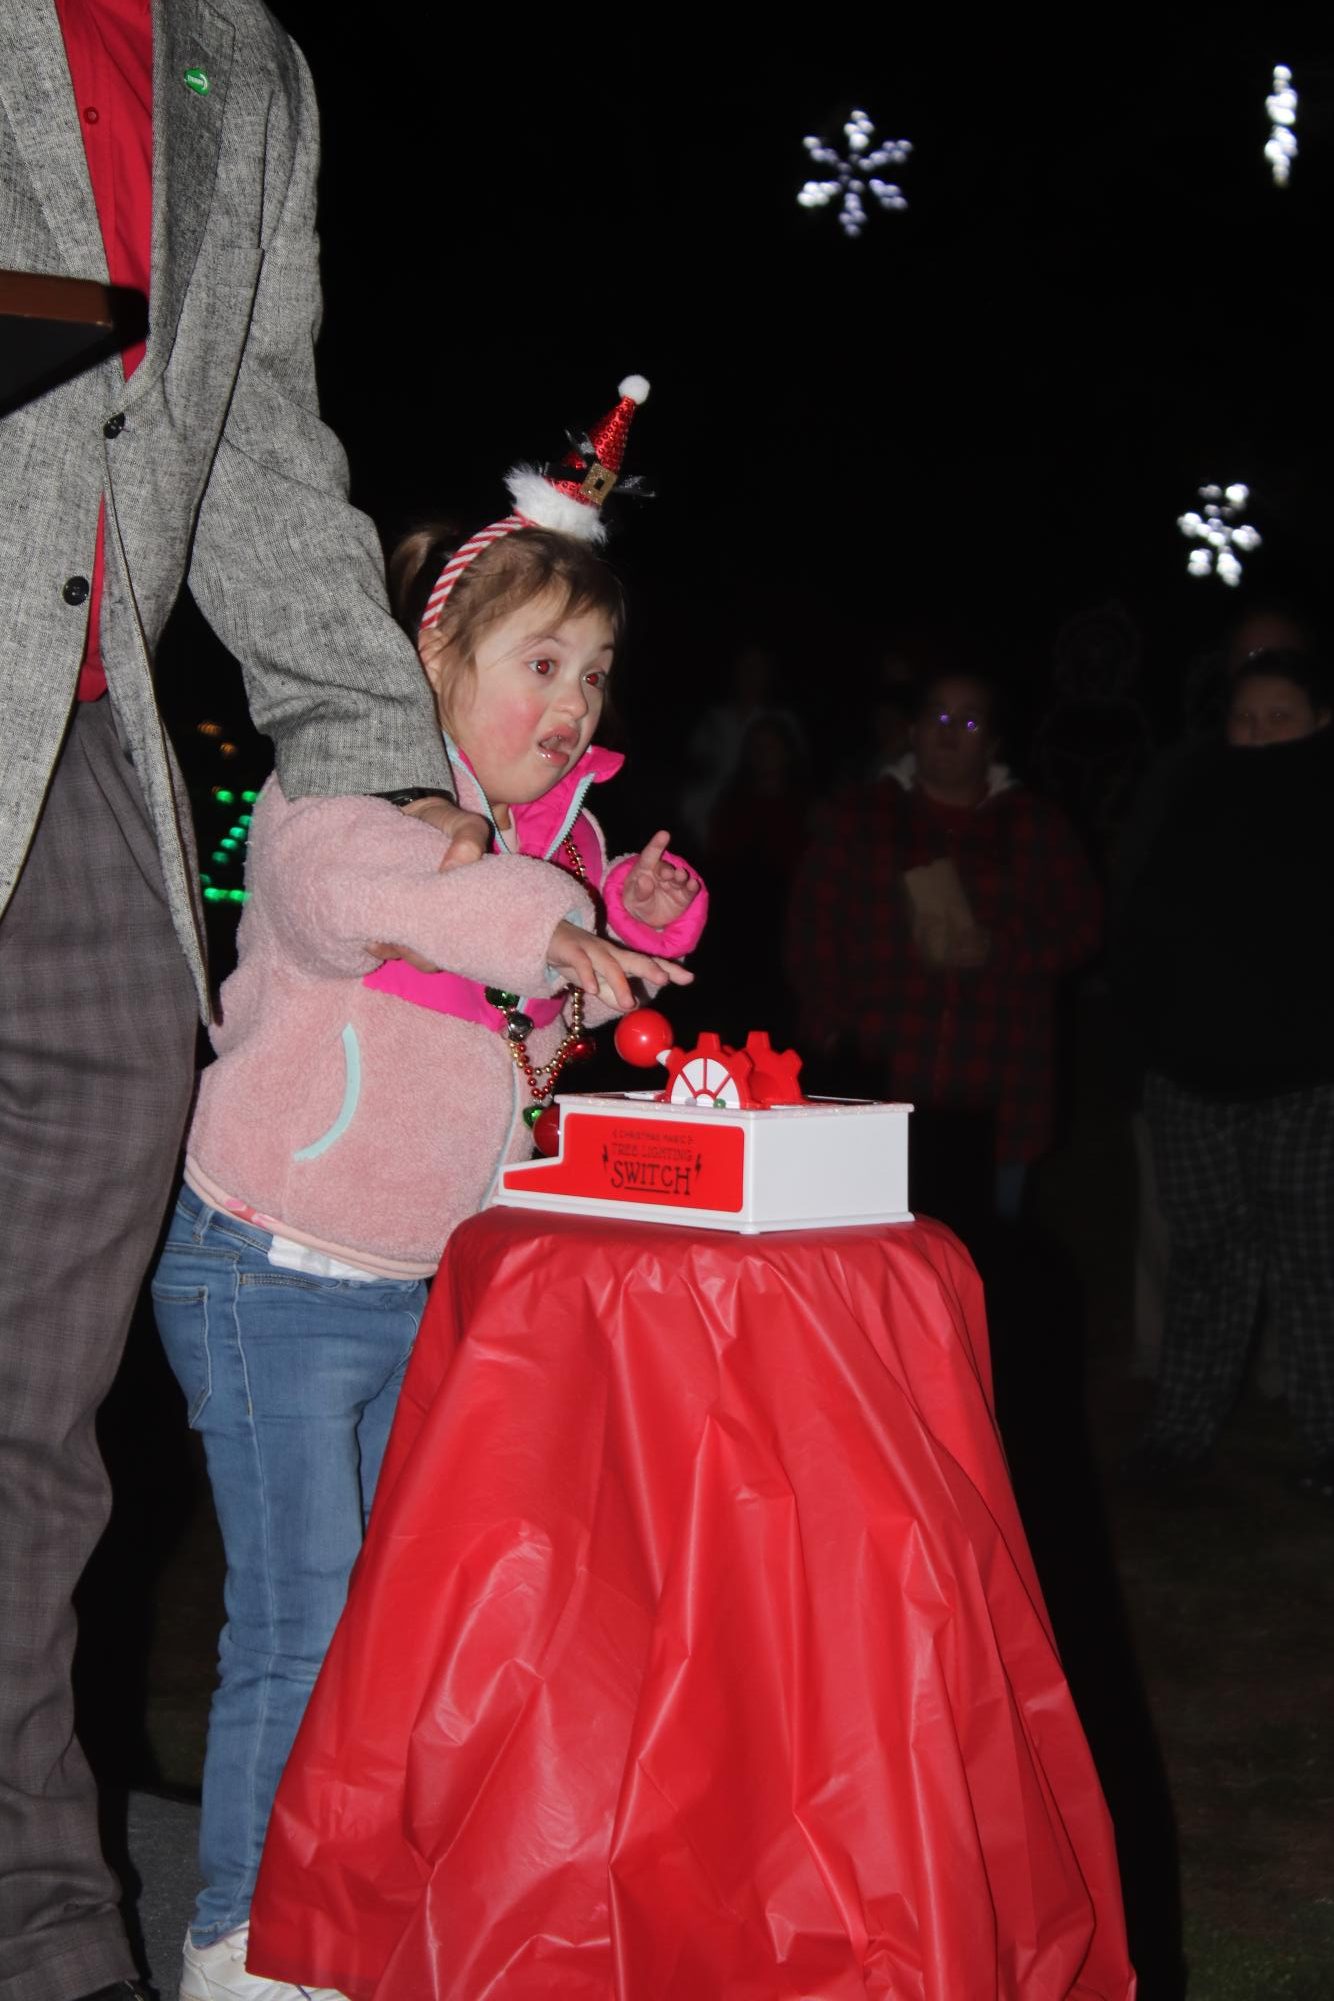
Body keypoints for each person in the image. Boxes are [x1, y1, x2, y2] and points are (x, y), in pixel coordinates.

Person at [0, 9, 489, 2001]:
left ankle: (35, 1910)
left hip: (87, 751)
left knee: (36, 1426)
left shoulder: (248, 65)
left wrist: (396, 776)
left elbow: (264, 449)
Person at [151, 377, 707, 2001]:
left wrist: (643, 919)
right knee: (303, 1623)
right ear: (426, 664)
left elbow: (582, 954)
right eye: (536, 663)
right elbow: (398, 906)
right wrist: (544, 925)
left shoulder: (549, 850)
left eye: (591, 672)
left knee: (413, 1629)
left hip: (417, 1297)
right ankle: (236, 1941)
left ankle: (366, 1906)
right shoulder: (349, 808)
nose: (568, 697)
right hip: (266, 1272)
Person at [1115, 649, 1334, 1497]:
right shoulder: (1190, 795)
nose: (1259, 733)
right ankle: (1181, 1435)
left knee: (1315, 1264)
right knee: (1206, 1263)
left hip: (1308, 1084)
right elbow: (1141, 928)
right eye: (1246, 719)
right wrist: (1146, 1051)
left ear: (1319, 720)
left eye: (1278, 716)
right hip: (1193, 1080)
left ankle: (1328, 1440)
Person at [786, 667, 1100, 1231]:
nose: (951, 732)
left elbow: (1081, 929)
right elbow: (810, 929)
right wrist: (831, 1026)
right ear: (913, 730)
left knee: (985, 1260)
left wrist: (1000, 951)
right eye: (938, 716)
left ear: (996, 743)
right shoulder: (862, 817)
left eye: (970, 719)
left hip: (999, 1085)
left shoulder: (1036, 826)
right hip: (878, 1083)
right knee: (868, 1254)